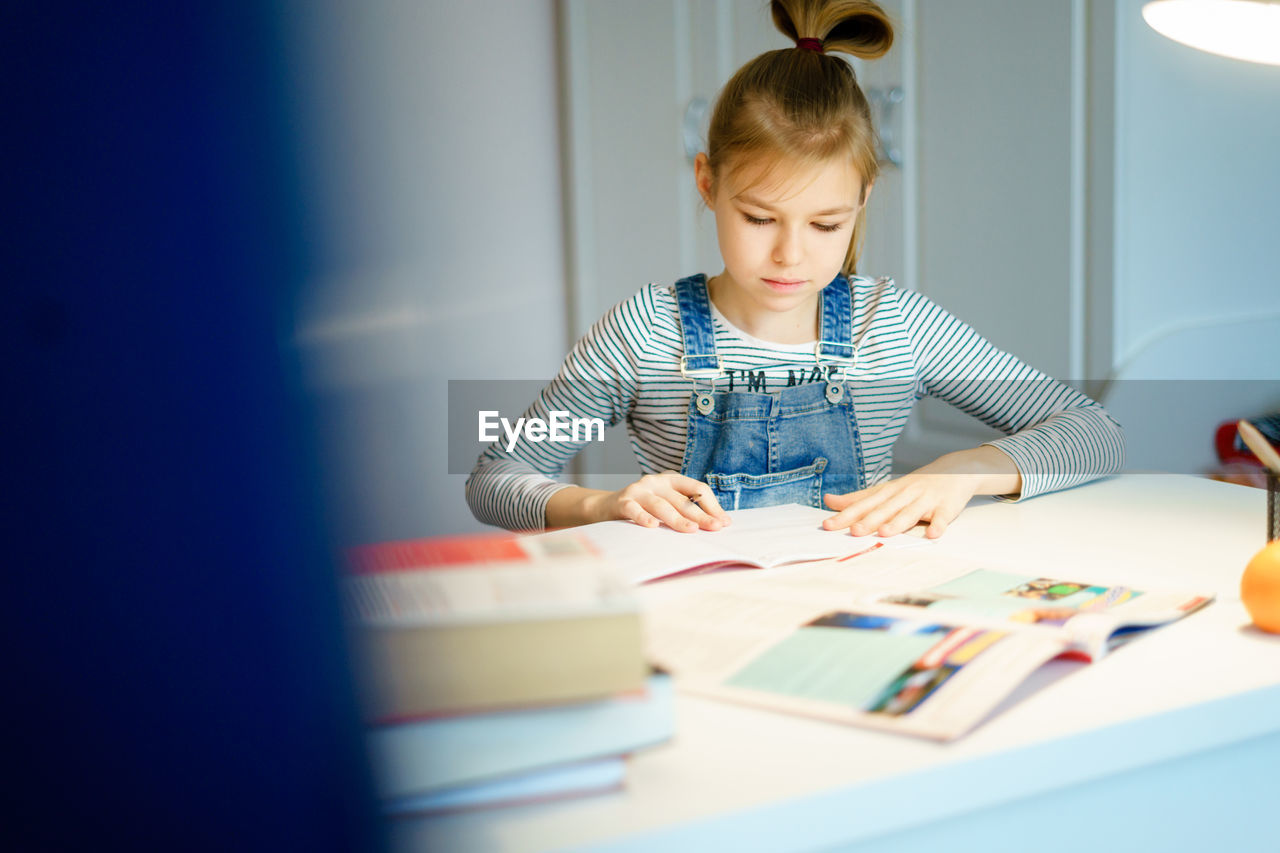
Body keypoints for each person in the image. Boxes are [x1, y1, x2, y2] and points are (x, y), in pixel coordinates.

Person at [466, 0, 1124, 538]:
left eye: (826, 224)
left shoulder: (893, 327)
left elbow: (1097, 433)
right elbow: (495, 478)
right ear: (706, 181)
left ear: (863, 200)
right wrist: (603, 505)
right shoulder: (645, 334)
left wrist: (965, 468)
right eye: (758, 218)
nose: (790, 255)